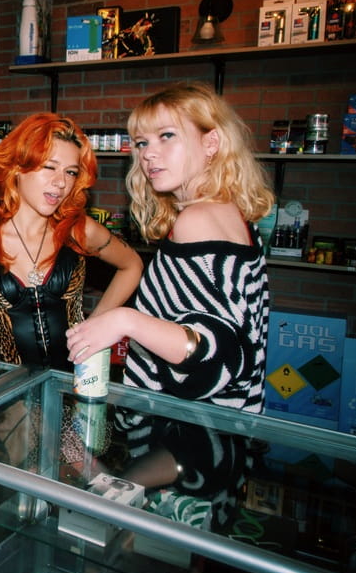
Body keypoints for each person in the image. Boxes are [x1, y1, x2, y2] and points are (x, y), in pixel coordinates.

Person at [65, 81, 275, 517]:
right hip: (217, 447)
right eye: (142, 142)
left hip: (190, 447)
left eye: (167, 136)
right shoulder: (228, 212)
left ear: (211, 143)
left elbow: (218, 356)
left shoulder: (198, 220)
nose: (149, 154)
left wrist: (124, 320)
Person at [0, 112, 142, 369]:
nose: (61, 183)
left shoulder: (79, 230)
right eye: (49, 167)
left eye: (71, 172)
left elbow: (132, 265)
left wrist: (96, 325)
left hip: (74, 379)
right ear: (18, 166)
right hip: (7, 383)